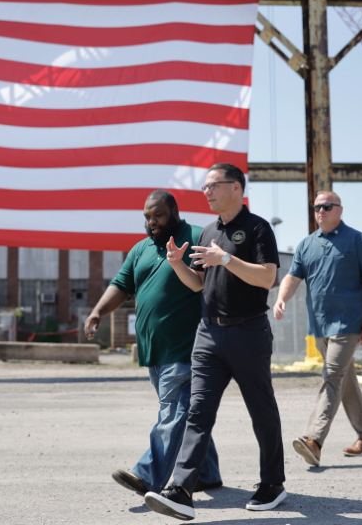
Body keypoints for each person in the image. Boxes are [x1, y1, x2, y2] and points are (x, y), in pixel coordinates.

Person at [144, 163, 285, 521]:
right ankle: (180, 489)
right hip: (207, 334)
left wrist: (226, 258)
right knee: (198, 412)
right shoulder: (208, 231)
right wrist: (177, 264)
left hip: (248, 331)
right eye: (205, 186)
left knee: (261, 410)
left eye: (213, 185)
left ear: (236, 187)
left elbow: (268, 277)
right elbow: (198, 284)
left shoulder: (257, 228)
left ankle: (273, 483)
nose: (206, 191)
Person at [84, 191, 222, 498]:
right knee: (187, 414)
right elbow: (121, 286)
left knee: (173, 412)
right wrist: (97, 312)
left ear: (173, 210)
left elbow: (208, 283)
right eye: (147, 217)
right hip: (155, 351)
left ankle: (148, 476)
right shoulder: (141, 249)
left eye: (157, 215)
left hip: (188, 346)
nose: (152, 222)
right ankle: (208, 473)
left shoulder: (198, 236)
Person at [274, 191, 362, 467]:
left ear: (340, 210)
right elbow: (292, 277)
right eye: (316, 207)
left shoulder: (359, 241)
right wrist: (281, 299)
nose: (320, 211)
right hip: (320, 326)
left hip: (349, 324)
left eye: (327, 206)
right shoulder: (306, 244)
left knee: (332, 377)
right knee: (345, 381)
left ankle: (314, 440)